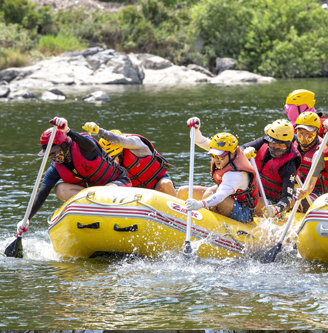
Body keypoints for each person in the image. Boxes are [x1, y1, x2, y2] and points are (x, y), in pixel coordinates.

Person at [16, 117, 131, 234]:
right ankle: (91, 216)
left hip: (117, 182)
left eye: (55, 152)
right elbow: (41, 194)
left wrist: (67, 131)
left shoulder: (83, 145)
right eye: (50, 154)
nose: (53, 157)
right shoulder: (55, 168)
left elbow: (91, 146)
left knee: (104, 192)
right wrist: (27, 219)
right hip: (93, 193)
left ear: (65, 145)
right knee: (60, 189)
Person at [178, 117, 260, 224]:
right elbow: (199, 140)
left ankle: (208, 225)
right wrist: (196, 129)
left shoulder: (236, 174)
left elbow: (220, 195)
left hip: (244, 213)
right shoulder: (224, 150)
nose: (216, 159)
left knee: (210, 194)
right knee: (184, 190)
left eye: (220, 156)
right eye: (213, 155)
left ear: (231, 154)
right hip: (231, 198)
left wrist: (200, 204)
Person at [83, 122, 177, 197]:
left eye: (114, 157)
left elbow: (120, 140)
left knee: (166, 183)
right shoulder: (109, 160)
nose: (113, 161)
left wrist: (99, 131)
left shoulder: (137, 145)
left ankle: (179, 210)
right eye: (110, 158)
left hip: (157, 183)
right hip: (138, 193)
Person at [242, 119, 301, 218]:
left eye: (281, 145)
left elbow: (287, 198)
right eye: (273, 143)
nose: (276, 147)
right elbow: (240, 149)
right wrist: (245, 151)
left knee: (252, 200)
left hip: (272, 203)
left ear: (288, 144)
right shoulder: (264, 142)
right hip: (254, 193)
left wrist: (275, 209)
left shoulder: (289, 164)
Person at [294, 112, 328, 208]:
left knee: (294, 200)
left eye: (308, 134)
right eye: (301, 134)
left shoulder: (322, 149)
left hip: (319, 193)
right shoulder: (293, 144)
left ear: (317, 132)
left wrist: (304, 192)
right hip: (301, 189)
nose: (304, 138)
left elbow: (311, 183)